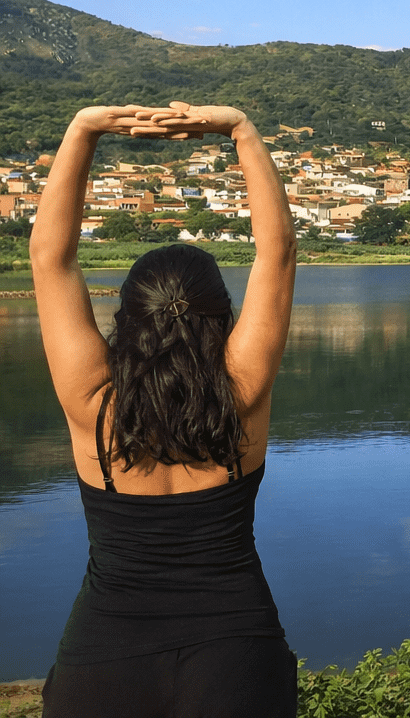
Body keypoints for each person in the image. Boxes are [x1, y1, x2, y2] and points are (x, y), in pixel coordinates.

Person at [30, 103, 298, 718]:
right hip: (237, 653)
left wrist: (83, 129)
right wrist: (241, 128)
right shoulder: (241, 392)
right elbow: (276, 253)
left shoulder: (92, 403)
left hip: (103, 658)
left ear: (126, 315)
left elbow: (50, 258)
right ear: (219, 316)